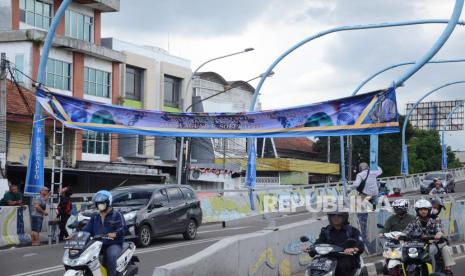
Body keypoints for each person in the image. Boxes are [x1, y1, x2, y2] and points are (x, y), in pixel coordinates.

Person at [83, 190, 127, 276]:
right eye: (98, 203)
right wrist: (75, 235)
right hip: (97, 244)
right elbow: (86, 230)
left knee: (111, 256)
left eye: (102, 203)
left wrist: (115, 234)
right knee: (86, 258)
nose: (100, 205)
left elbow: (123, 228)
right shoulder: (95, 217)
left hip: (113, 243)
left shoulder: (117, 214)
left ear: (108, 202)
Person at [403, 199, 453, 275]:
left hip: (432, 243)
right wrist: (399, 236)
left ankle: (434, 272)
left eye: (425, 209)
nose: (423, 211)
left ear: (429, 210)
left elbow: (439, 229)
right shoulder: (413, 222)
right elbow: (405, 232)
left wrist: (439, 234)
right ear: (417, 211)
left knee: (433, 251)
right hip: (417, 245)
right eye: (421, 210)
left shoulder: (435, 221)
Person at [308, 210, 364, 276]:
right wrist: (311, 248)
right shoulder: (326, 231)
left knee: (342, 265)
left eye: (339, 216)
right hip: (328, 259)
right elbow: (319, 242)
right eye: (333, 215)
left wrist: (354, 249)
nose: (335, 218)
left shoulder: (352, 231)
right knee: (312, 266)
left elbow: (360, 245)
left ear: (344, 217)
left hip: (346, 258)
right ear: (330, 217)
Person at [430, 198, 455, 274]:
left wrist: (439, 234)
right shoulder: (419, 219)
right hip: (421, 243)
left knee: (445, 248)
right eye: (434, 207)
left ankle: (448, 269)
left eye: (438, 208)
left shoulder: (438, 219)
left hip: (435, 242)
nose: (436, 210)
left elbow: (440, 230)